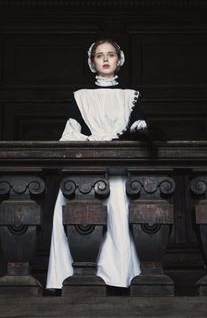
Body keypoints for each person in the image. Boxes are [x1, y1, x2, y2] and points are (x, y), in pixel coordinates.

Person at [46, 39, 148, 290]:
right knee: (80, 219)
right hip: (85, 173)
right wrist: (95, 139)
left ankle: (117, 279)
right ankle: (72, 277)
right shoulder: (80, 97)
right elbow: (70, 134)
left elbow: (141, 130)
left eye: (110, 54)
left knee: (118, 221)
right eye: (99, 55)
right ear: (92, 62)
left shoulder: (131, 97)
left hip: (118, 172)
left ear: (119, 60)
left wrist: (129, 134)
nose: (105, 59)